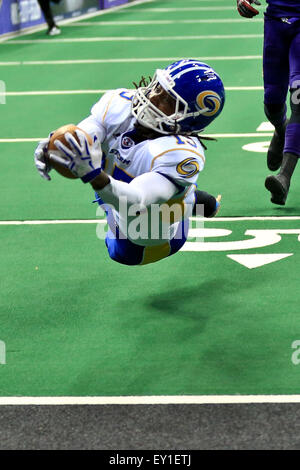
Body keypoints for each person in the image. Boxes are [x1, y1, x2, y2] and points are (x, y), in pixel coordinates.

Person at [34, 59, 225, 266]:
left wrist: (92, 174)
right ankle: (188, 196)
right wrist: (57, 147)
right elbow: (89, 133)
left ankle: (184, 199)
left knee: (123, 253)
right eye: (158, 87)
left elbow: (136, 201)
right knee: (127, 174)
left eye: (168, 101)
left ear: (188, 117)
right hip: (129, 186)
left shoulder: (182, 152)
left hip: (149, 227)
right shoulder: (121, 103)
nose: (152, 97)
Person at [237, 0, 300, 205]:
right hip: (276, 22)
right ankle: (281, 129)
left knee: (298, 101)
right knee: (272, 101)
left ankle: (284, 178)